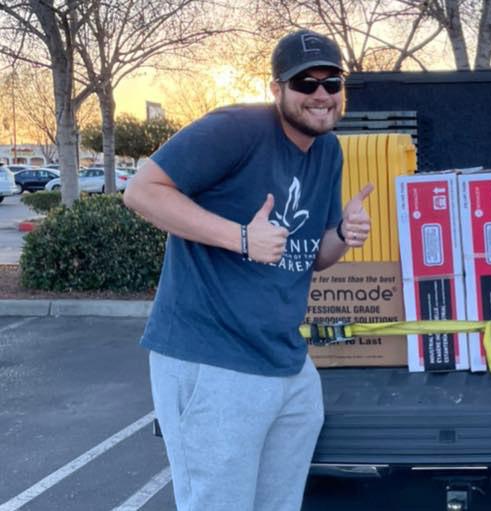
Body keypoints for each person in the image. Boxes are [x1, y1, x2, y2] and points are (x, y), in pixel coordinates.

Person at [124, 29, 373, 510]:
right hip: (212, 359)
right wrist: (241, 237)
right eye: (305, 82)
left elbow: (312, 255)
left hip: (286, 363)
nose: (320, 93)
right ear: (276, 88)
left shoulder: (328, 152)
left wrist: (343, 235)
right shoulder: (236, 128)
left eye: (331, 81)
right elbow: (142, 191)